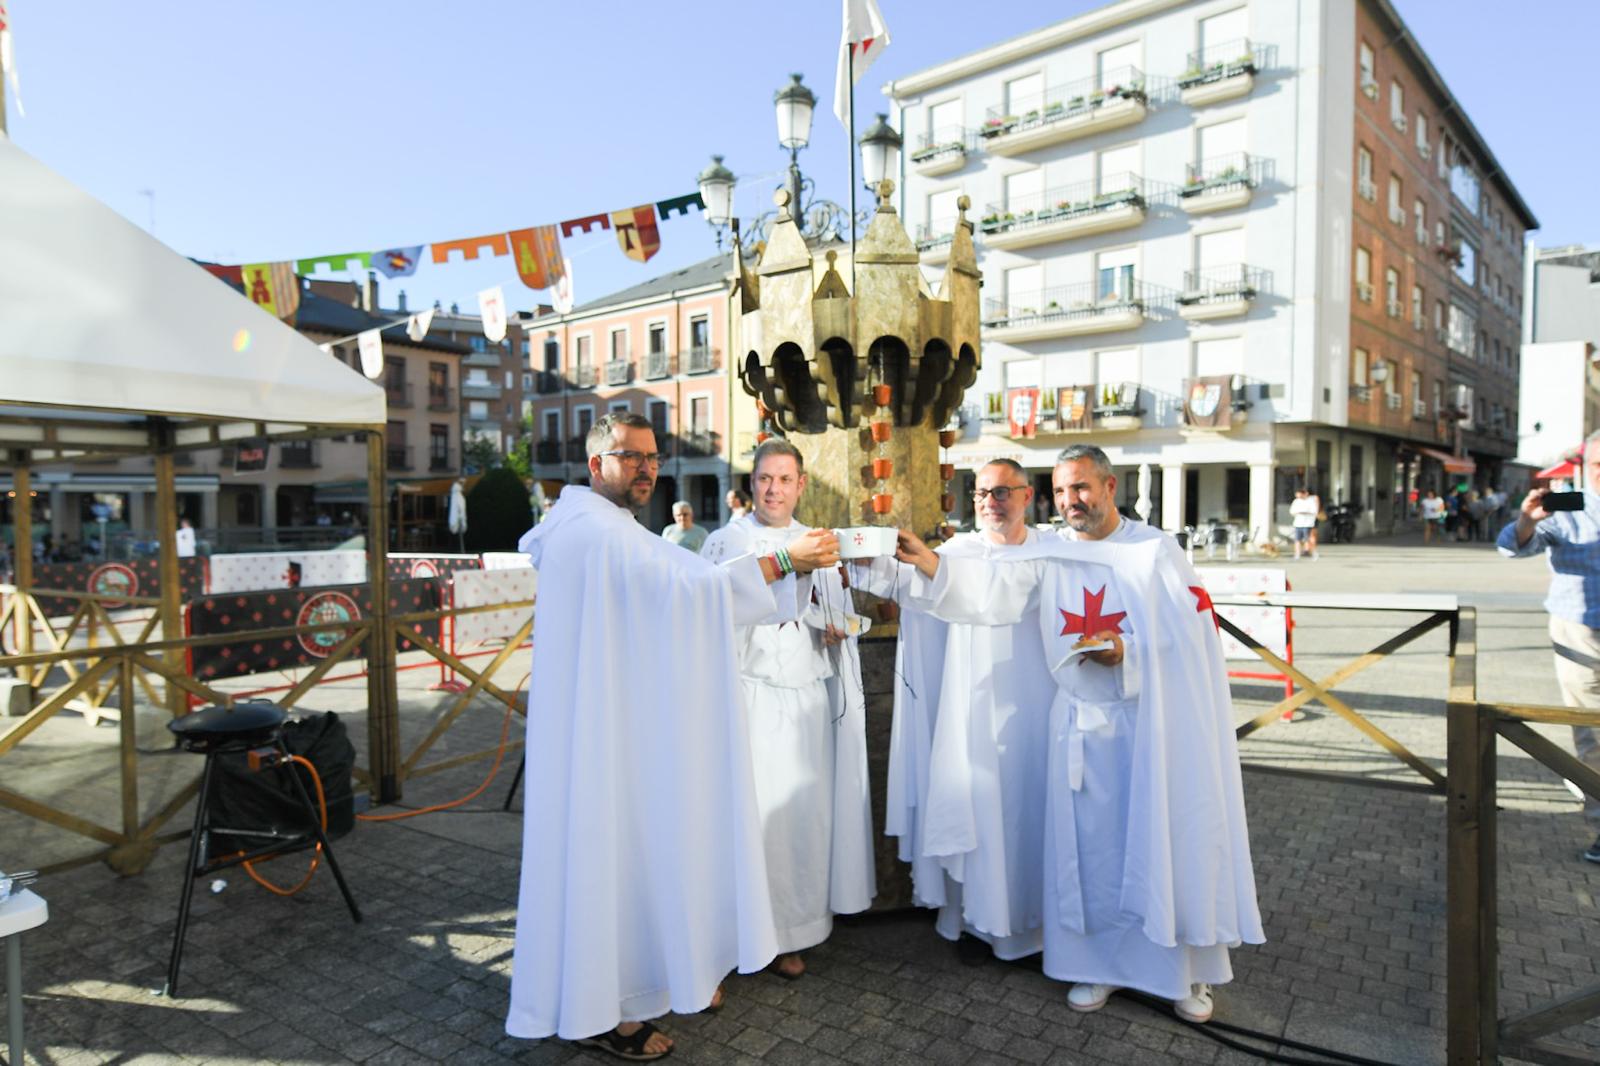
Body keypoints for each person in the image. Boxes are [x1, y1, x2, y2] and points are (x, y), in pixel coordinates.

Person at [505, 413, 841, 1060]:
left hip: (611, 727)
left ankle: (602, 1003)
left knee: (607, 865)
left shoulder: (602, 528)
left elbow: (677, 592)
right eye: (631, 456)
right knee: (608, 864)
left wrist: (780, 568)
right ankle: (609, 1015)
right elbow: (691, 595)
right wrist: (778, 561)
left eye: (653, 457)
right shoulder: (598, 535)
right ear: (595, 462)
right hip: (608, 740)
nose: (647, 468)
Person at [893, 500, 1263, 1024]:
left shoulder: (1155, 551)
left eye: (1083, 487)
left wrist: (1127, 653)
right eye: (1063, 491)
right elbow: (998, 592)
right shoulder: (1054, 553)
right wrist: (933, 565)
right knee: (1091, 854)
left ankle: (1184, 976)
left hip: (1150, 727)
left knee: (1166, 843)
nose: (1072, 501)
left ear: (1109, 485)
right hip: (1081, 728)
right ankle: (1099, 967)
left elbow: (1190, 636)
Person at [699, 439, 874, 980]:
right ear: (751, 483)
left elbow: (832, 615)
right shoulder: (723, 543)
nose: (774, 488)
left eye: (784, 479)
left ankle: (790, 933)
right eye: (764, 478)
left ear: (801, 485)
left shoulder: (818, 544)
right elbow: (706, 621)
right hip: (750, 700)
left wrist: (835, 624)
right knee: (752, 824)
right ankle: (736, 936)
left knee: (801, 823)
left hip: (804, 702)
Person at [1498, 429, 1600, 865]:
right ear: (1585, 467)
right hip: (1580, 631)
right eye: (1599, 466)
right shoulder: (1568, 507)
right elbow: (1511, 548)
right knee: (1592, 731)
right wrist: (1527, 521)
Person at [1289, 487, 1319, 560]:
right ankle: (1297, 554)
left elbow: (1314, 511)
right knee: (1297, 539)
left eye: (1301, 495)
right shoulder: (1296, 501)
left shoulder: (1311, 501)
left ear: (1305, 494)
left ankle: (1313, 553)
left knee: (1308, 539)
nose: (1300, 497)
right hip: (1298, 523)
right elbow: (1292, 511)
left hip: (1308, 524)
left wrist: (1305, 512)